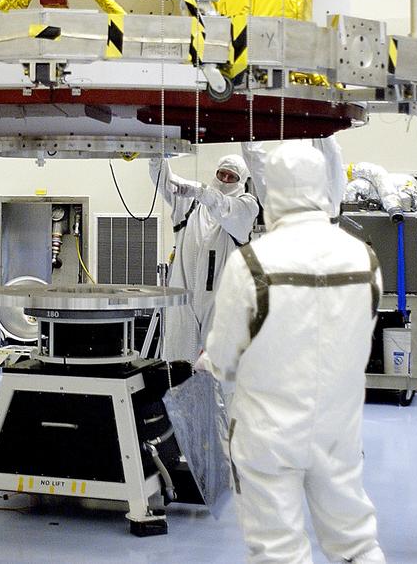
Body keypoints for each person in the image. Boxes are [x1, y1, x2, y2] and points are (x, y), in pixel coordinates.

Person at [202, 140, 385, 564]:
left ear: (272, 190)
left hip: (269, 434)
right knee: (356, 542)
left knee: (278, 550)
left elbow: (224, 359)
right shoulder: (364, 258)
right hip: (339, 430)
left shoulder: (252, 262)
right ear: (322, 187)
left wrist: (209, 360)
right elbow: (364, 333)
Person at [149, 153, 259, 362]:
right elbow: (165, 180)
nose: (225, 180)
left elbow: (225, 207)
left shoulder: (245, 207)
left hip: (220, 305)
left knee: (219, 371)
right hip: (184, 300)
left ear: (241, 181)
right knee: (178, 367)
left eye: (231, 177)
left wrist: (201, 192)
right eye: (221, 174)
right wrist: (156, 155)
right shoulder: (191, 204)